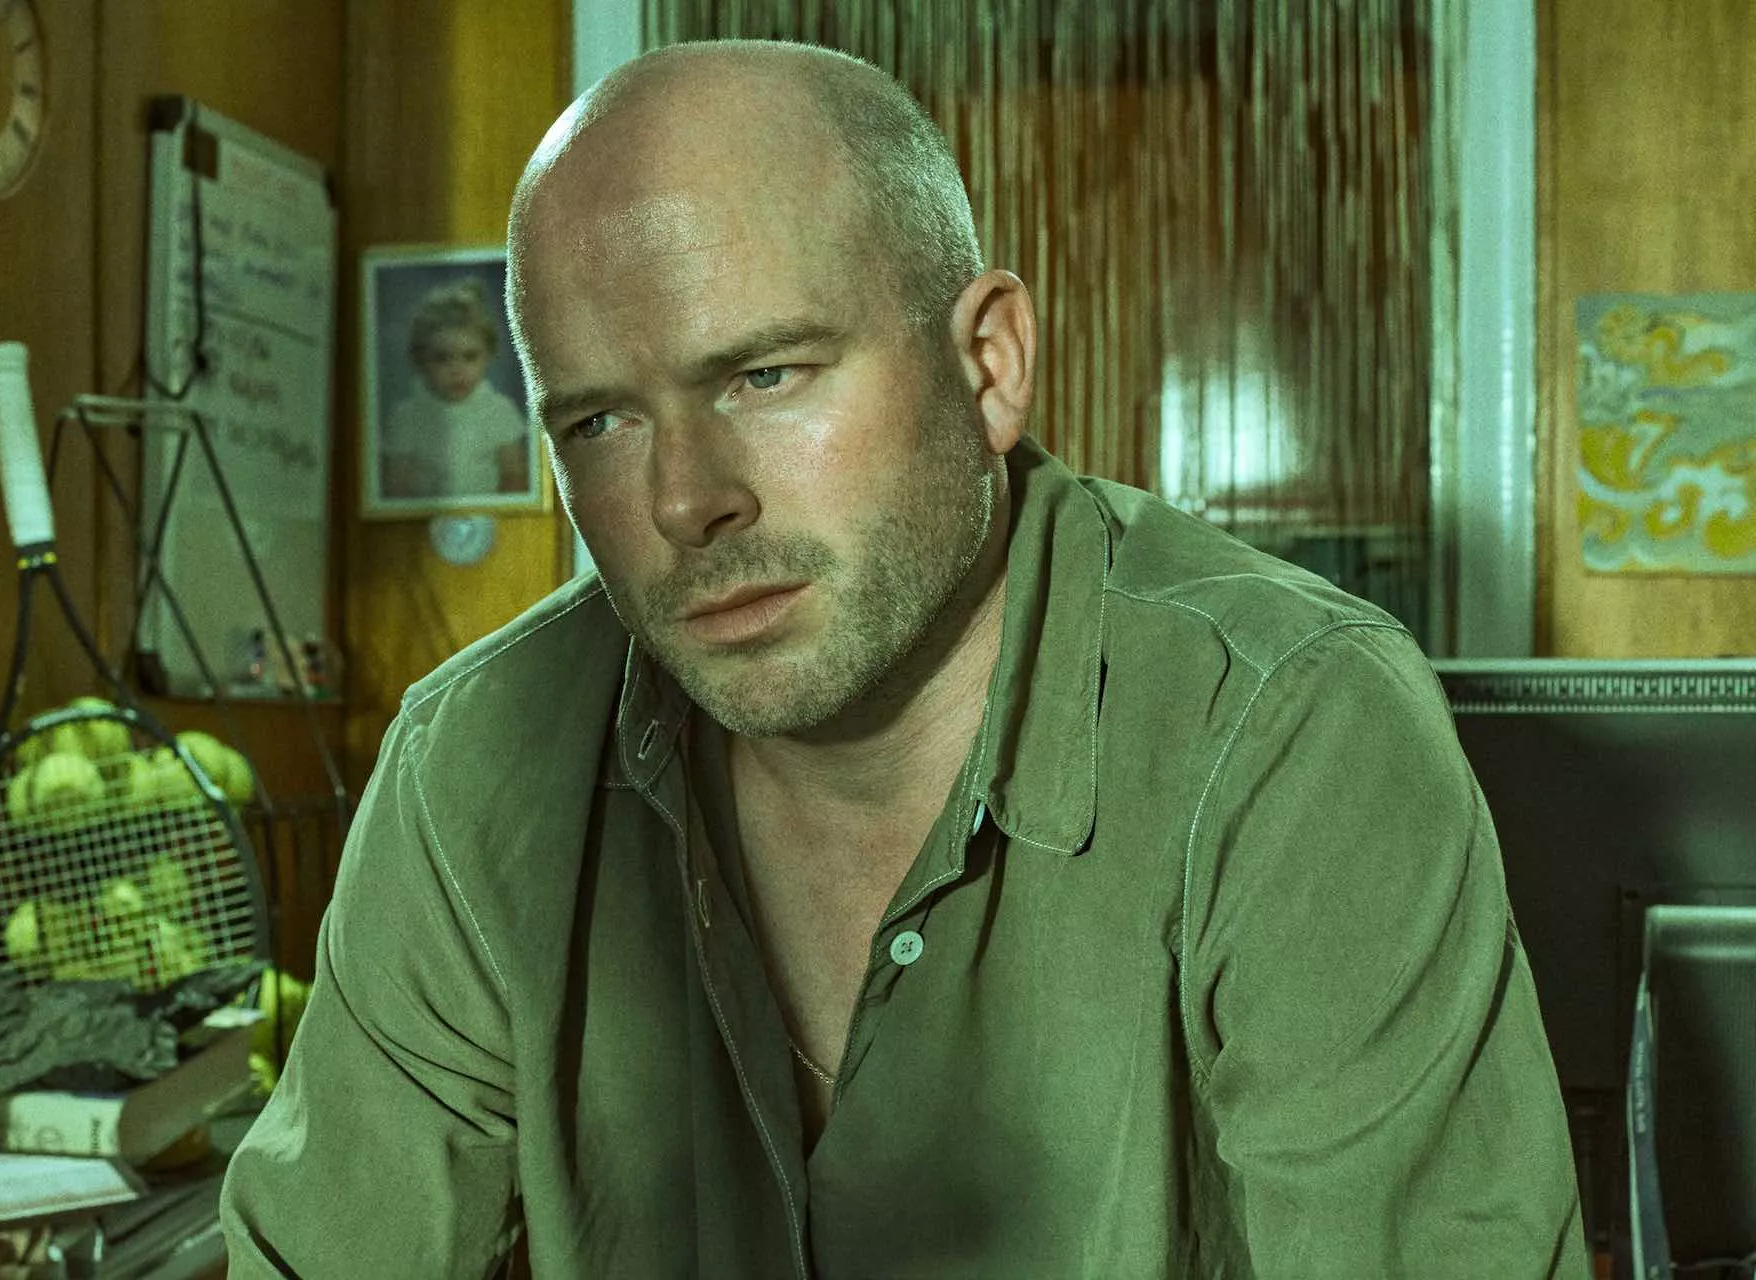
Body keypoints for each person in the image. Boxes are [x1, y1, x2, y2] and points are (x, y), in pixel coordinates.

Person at [223, 38, 1591, 1279]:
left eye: (765, 375)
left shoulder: (1290, 726)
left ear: (988, 364)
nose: (687, 500)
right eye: (600, 423)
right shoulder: (476, 761)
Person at [380, 277, 530, 501]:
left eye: (470, 357)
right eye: (442, 358)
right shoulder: (406, 415)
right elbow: (397, 485)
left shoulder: (499, 410)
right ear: (420, 360)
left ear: (488, 355)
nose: (457, 371)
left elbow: (514, 476)